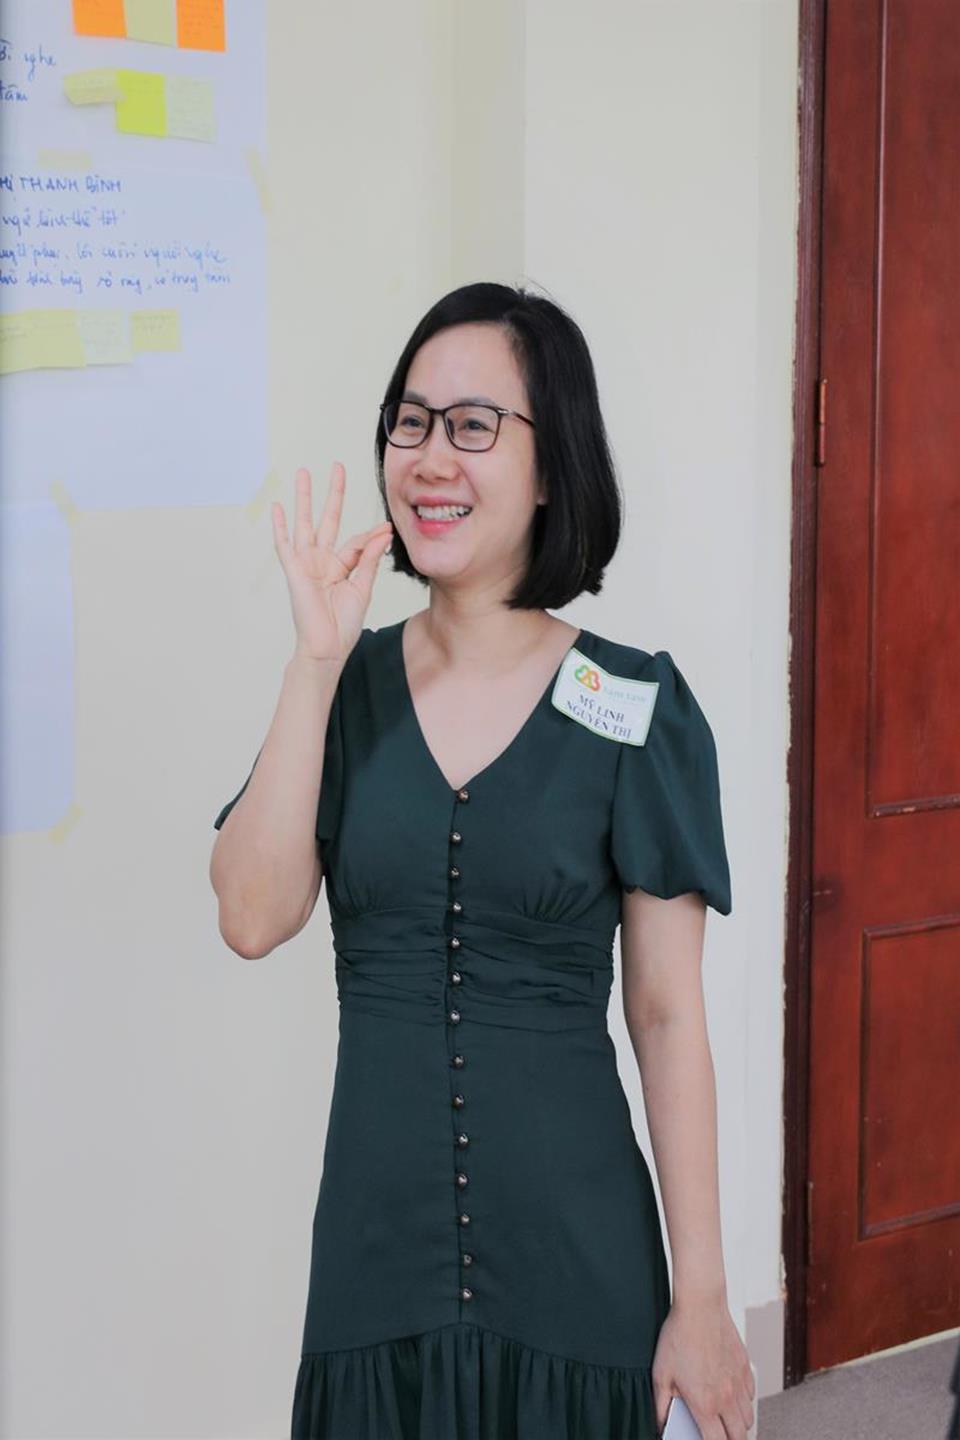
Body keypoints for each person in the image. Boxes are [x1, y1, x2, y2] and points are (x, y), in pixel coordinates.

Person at [210, 281, 756, 1440]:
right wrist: (313, 662)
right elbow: (252, 916)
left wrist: (703, 1299)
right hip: (377, 1263)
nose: (430, 457)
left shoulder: (638, 705)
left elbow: (666, 1014)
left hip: (581, 1264)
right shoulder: (343, 686)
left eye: (473, 425)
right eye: (410, 422)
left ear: (552, 466)